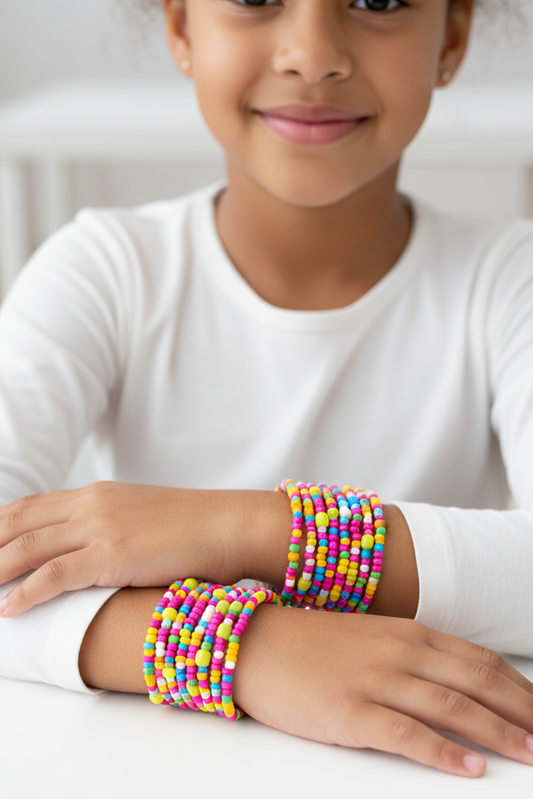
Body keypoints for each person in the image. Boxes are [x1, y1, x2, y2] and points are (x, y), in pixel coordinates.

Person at [1, 0, 533, 779]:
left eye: (377, 1)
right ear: (181, 29)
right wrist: (244, 644)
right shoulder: (103, 269)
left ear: (449, 37)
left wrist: (245, 529)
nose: (311, 55)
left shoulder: (510, 279)